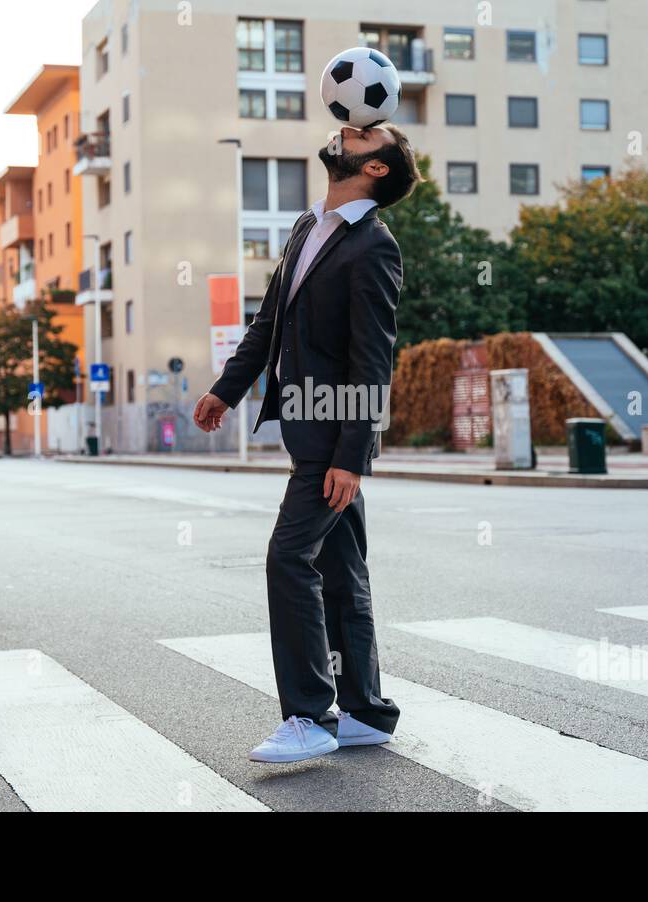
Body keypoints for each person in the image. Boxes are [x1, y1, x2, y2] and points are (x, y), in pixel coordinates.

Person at [193, 123, 421, 763]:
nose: (347, 132)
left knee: (289, 560)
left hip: (331, 436)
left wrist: (352, 457)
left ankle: (308, 716)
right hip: (304, 423)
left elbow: (372, 359)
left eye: (364, 134)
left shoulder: (374, 246)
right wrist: (226, 390)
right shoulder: (306, 227)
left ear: (375, 168)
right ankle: (366, 711)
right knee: (342, 573)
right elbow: (269, 323)